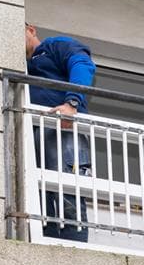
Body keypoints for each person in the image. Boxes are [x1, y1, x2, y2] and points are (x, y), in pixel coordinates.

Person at [25, 23, 96, 242]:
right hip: (33, 136)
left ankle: (74, 248)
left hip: (62, 130)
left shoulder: (54, 46)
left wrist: (72, 102)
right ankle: (45, 243)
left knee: (69, 194)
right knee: (39, 199)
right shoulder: (21, 66)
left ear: (31, 29)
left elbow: (82, 64)